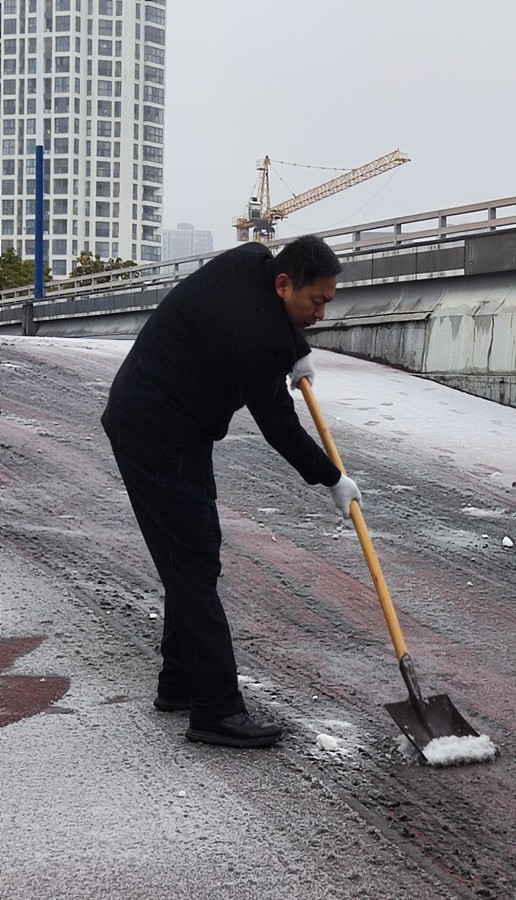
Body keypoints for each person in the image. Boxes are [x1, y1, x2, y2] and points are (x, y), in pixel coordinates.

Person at [101, 235, 361, 750]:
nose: (322, 313)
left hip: (171, 424)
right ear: (284, 285)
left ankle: (179, 682)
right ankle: (216, 710)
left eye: (328, 301)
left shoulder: (253, 259)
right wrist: (332, 477)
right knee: (194, 565)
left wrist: (299, 351)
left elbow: (272, 306)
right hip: (155, 433)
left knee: (191, 558)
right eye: (317, 302)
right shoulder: (256, 336)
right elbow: (279, 427)